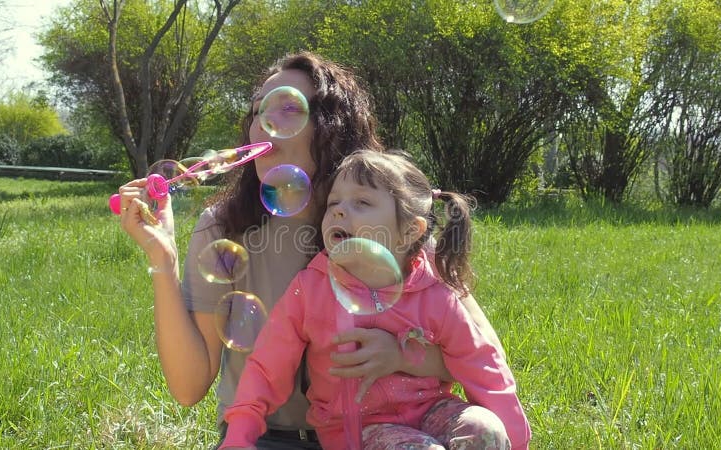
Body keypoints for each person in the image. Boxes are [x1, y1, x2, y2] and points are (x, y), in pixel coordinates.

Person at [117, 52, 506, 449]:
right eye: (257, 111)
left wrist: (404, 357)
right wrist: (163, 262)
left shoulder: (385, 229)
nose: (261, 124)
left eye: (287, 108)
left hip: (386, 432)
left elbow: (483, 354)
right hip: (265, 437)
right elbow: (188, 387)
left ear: (331, 128)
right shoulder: (224, 226)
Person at [220, 150, 531, 450]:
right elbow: (267, 366)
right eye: (334, 203)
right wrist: (240, 435)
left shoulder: (434, 293)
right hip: (357, 431)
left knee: (485, 429)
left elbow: (481, 363)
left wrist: (516, 442)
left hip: (433, 412)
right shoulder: (311, 290)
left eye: (362, 202)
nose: (339, 210)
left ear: (410, 231)